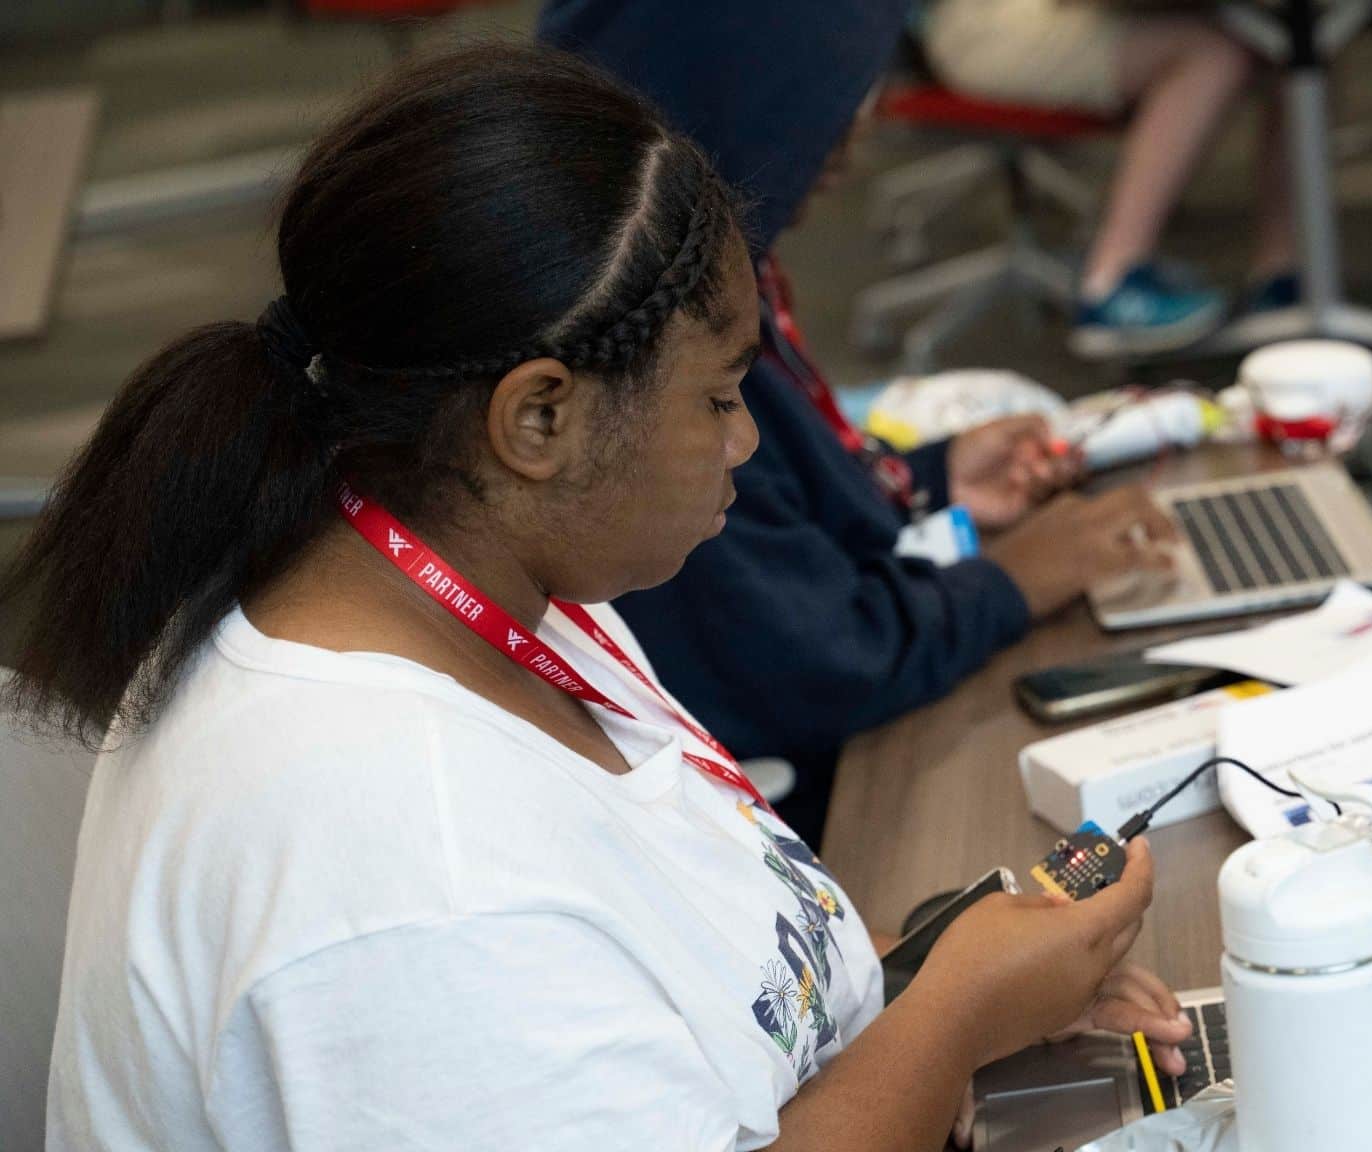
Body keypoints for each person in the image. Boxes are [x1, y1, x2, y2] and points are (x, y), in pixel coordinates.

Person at [6, 45, 1191, 1150]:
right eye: (717, 398)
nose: (743, 441)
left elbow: (663, 978)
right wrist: (956, 1017)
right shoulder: (409, 878)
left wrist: (934, 967)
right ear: (538, 419)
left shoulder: (464, 579)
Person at [540, 0, 1177, 844]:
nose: (850, 144)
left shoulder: (716, 277)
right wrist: (1015, 579)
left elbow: (783, 505)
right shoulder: (654, 363)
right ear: (741, 104)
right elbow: (818, 661)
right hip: (804, 804)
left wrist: (927, 480)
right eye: (824, 112)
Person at [921, 0, 1302, 357]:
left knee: (1291, 47)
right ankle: (1112, 283)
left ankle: (1280, 277)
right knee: (1213, 55)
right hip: (987, 26)